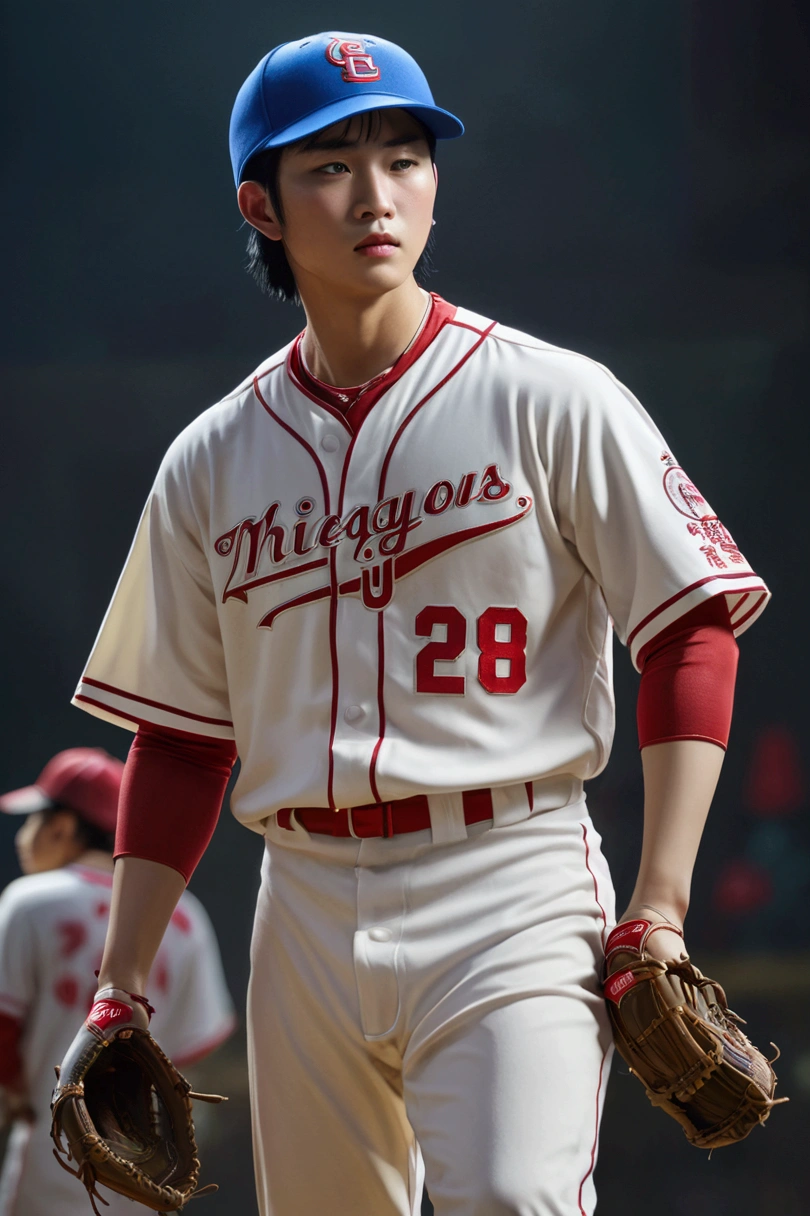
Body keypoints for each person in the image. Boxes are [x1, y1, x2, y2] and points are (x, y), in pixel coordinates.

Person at [67, 31, 769, 1216]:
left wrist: (658, 902)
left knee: (508, 1195)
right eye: (332, 165)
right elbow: (184, 738)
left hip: (512, 875)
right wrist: (118, 983)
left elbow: (690, 631)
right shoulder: (210, 460)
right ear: (263, 203)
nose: (377, 194)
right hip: (301, 895)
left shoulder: (551, 394)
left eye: (405, 157)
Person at [0, 747, 236, 1216]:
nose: (23, 836)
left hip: (49, 1156)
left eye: (33, 821)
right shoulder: (185, 916)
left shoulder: (30, 901)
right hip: (143, 1168)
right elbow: (191, 1052)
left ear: (63, 828)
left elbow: (4, 1038)